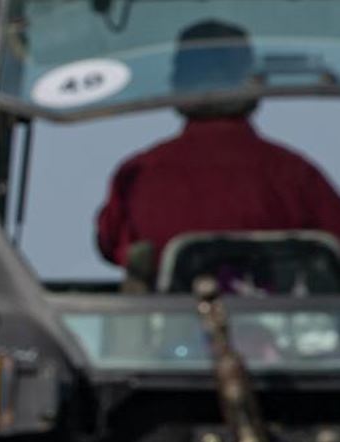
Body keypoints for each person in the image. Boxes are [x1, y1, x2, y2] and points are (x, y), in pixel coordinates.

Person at [96, 19, 340, 270]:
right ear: (251, 81)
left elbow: (111, 243)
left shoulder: (137, 177)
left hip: (172, 309)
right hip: (277, 309)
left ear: (177, 82)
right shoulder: (297, 176)